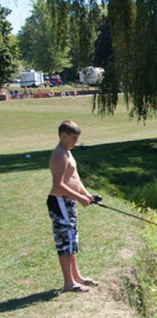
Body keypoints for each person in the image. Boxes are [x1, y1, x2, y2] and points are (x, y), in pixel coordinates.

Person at [48, 120, 99, 293]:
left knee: (72, 239)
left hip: (68, 201)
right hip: (60, 201)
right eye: (73, 138)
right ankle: (68, 283)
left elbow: (75, 179)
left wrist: (87, 195)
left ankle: (77, 276)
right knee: (65, 241)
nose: (76, 141)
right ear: (63, 136)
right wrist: (80, 198)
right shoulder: (59, 154)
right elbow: (58, 186)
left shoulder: (68, 153)